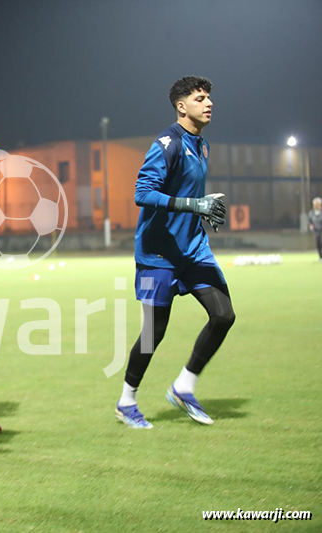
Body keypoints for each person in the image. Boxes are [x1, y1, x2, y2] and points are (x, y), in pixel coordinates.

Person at [115, 76, 235, 429]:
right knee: (154, 333)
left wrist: (203, 212)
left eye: (209, 97)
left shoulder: (203, 145)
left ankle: (184, 386)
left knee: (224, 315)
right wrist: (193, 205)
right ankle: (126, 401)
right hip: (158, 254)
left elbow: (191, 196)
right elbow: (142, 193)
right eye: (200, 98)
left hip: (194, 250)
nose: (208, 103)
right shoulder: (165, 143)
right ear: (182, 106)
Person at [308, 197, 322, 261]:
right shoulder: (311, 213)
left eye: (318, 204)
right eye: (315, 204)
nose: (316, 205)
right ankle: (320, 257)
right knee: (318, 244)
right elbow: (310, 222)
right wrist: (311, 228)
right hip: (316, 230)